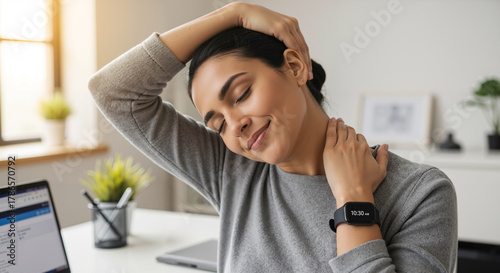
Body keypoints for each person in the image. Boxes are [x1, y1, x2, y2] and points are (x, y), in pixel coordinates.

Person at [88, 3, 457, 272]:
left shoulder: (420, 193)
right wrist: (232, 14)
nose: (235, 127)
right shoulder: (231, 170)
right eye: (217, 124)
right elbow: (114, 93)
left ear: (295, 67)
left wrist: (353, 201)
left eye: (241, 94)